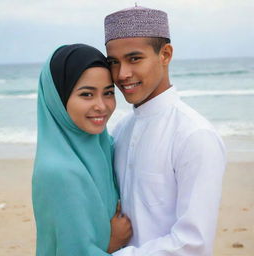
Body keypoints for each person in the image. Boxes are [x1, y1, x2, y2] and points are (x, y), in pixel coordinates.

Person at [104, 6, 226, 256]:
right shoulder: (120, 130)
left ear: (165, 54)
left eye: (134, 58)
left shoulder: (195, 135)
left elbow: (193, 244)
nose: (122, 74)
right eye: (114, 62)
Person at [32, 44, 132, 256]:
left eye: (108, 93)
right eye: (87, 94)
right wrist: (112, 242)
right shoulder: (59, 171)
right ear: (57, 99)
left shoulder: (103, 146)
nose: (101, 106)